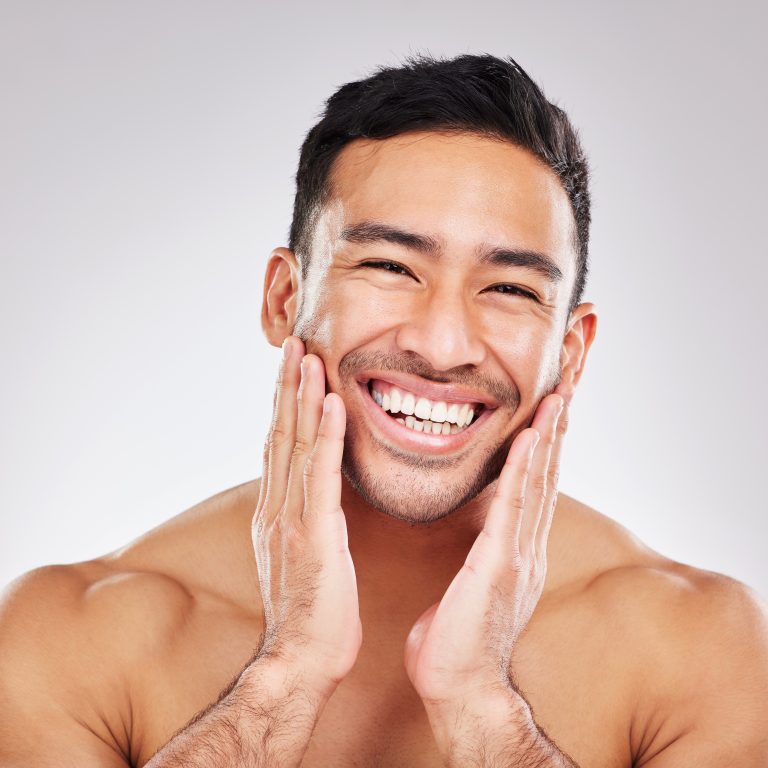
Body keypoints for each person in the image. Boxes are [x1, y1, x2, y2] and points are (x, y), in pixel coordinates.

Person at [1, 53, 766, 768]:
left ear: (572, 351)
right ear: (283, 298)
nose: (442, 345)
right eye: (392, 266)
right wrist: (285, 676)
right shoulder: (68, 638)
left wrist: (482, 709)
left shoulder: (702, 651)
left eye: (509, 288)